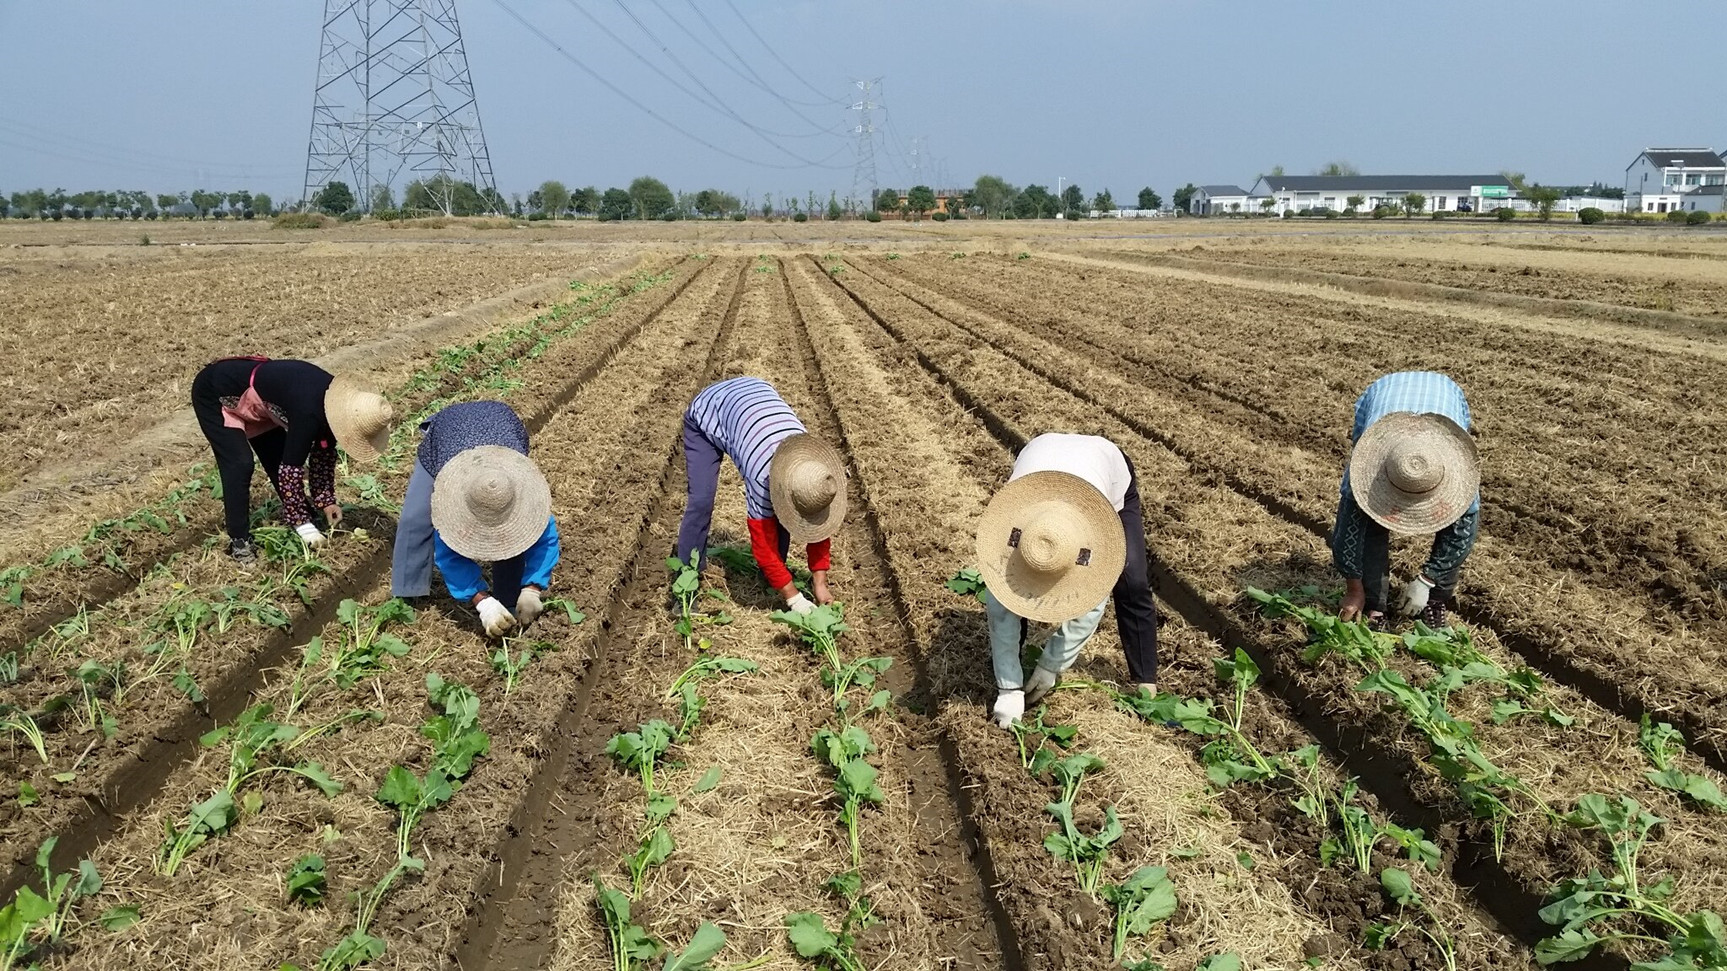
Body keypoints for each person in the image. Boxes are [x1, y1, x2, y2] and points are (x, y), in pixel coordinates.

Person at [978, 433, 1159, 729]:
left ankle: (1146, 683)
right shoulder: (1014, 530)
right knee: (1016, 583)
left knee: (1132, 580)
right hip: (1040, 459)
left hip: (1104, 473)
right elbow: (1001, 604)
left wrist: (1052, 664)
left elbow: (1093, 601)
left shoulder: (1095, 531)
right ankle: (1015, 671)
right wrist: (1008, 688)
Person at [191, 356, 391, 563]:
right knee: (239, 463)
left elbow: (323, 453)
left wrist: (327, 502)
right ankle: (239, 540)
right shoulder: (309, 414)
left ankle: (306, 513)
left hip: (262, 401)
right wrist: (303, 527)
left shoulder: (338, 406)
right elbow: (290, 471)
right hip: (215, 391)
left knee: (276, 458)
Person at [675, 377, 846, 614]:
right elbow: (762, 543)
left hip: (755, 398)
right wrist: (794, 598)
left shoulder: (813, 470)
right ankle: (685, 584)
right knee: (701, 501)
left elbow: (817, 521)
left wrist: (820, 583)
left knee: (784, 511)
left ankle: (774, 577)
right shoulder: (761, 475)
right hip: (709, 411)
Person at [391, 401, 559, 638]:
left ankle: (508, 598)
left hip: (502, 426)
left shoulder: (521, 493)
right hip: (448, 434)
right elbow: (448, 555)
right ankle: (406, 596)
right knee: (415, 517)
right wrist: (482, 602)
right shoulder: (452, 497)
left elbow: (545, 537)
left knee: (511, 538)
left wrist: (533, 587)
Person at [1332, 371, 1481, 630]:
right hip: (1383, 397)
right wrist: (1354, 588)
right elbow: (1348, 533)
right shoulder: (1366, 469)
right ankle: (1375, 605)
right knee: (1370, 515)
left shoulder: (1459, 476)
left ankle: (1435, 602)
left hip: (1445, 398)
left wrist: (1427, 580)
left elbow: (1461, 536)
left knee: (1452, 518)